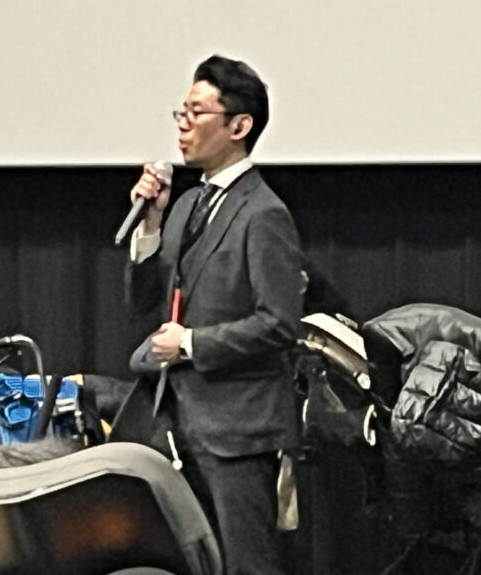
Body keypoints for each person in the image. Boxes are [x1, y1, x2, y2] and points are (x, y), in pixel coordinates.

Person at [125, 54, 304, 575]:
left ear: (239, 127)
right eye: (181, 112)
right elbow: (146, 305)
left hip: (238, 431)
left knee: (246, 564)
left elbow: (280, 323)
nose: (183, 125)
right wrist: (149, 227)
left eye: (197, 112)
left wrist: (190, 344)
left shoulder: (263, 213)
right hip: (174, 422)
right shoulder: (185, 206)